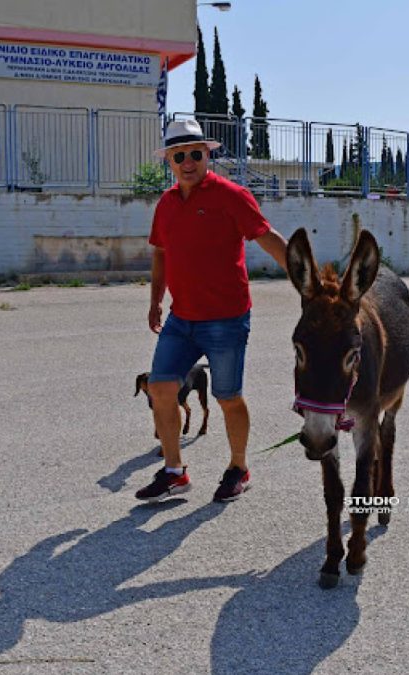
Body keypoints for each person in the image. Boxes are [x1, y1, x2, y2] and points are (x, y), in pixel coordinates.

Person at [136, 119, 287, 503]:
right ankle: (174, 472)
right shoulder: (166, 204)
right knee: (161, 387)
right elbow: (161, 255)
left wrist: (310, 278)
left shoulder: (231, 195)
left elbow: (266, 237)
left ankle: (239, 467)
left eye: (196, 154)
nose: (189, 162)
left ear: (208, 155)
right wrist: (156, 300)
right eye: (180, 155)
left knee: (227, 396)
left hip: (226, 318)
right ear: (169, 160)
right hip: (181, 318)